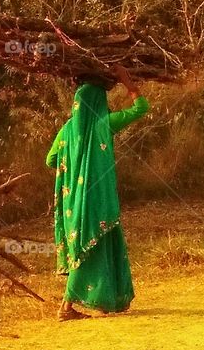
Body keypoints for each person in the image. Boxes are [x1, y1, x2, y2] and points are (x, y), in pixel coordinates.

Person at [46, 66, 150, 321]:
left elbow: (50, 160)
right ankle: (67, 306)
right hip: (98, 198)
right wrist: (129, 84)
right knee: (94, 244)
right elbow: (141, 109)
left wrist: (72, 170)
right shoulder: (104, 124)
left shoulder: (66, 130)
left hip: (74, 202)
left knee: (86, 244)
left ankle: (102, 301)